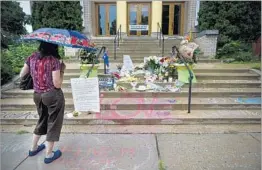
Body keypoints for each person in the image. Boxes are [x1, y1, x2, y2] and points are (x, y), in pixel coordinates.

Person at [19, 41, 66, 164]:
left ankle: (33, 148)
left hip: (37, 95)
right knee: (53, 122)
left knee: (42, 119)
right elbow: (57, 84)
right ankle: (49, 155)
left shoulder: (32, 57)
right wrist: (62, 70)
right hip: (52, 95)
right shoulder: (54, 60)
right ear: (54, 47)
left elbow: (21, 75)